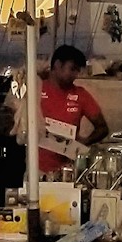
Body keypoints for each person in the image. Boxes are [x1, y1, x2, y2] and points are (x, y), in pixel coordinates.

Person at [37, 44, 111, 175]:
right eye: (72, 69)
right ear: (58, 65)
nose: (75, 75)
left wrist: (83, 142)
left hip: (69, 171)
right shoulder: (36, 89)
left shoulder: (81, 95)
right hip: (37, 169)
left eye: (77, 71)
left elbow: (102, 128)